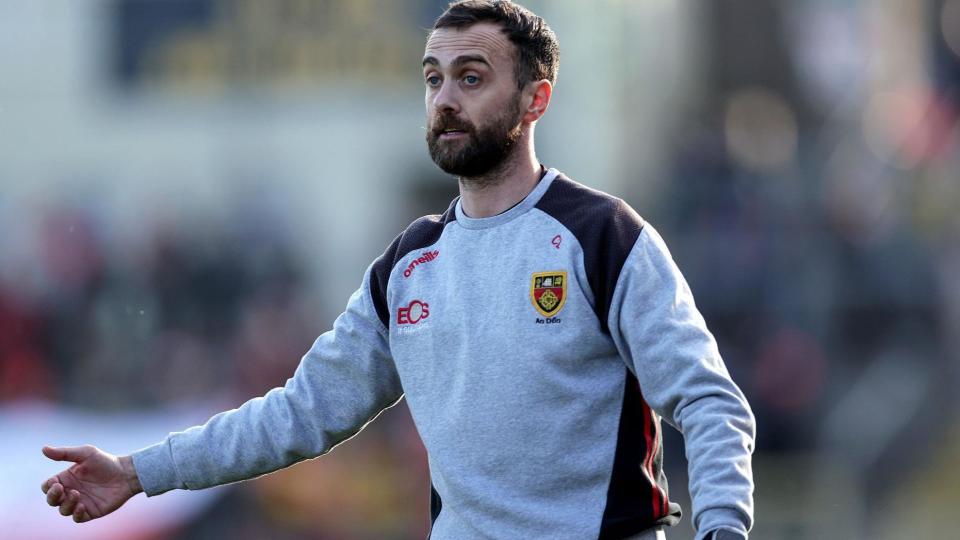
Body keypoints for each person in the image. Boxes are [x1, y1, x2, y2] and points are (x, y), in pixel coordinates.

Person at [41, 2, 755, 539]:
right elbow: (298, 413)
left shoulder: (602, 236)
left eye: (471, 78)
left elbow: (709, 401)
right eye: (434, 78)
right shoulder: (409, 267)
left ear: (535, 100)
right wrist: (138, 473)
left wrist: (723, 528)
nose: (445, 98)